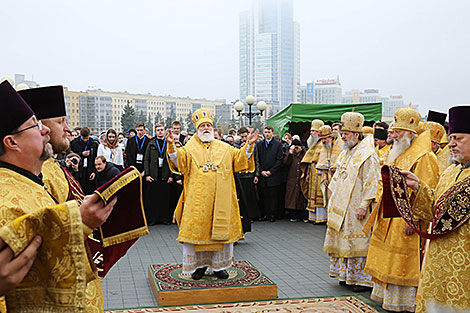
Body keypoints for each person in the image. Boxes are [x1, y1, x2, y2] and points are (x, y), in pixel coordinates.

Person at [0, 81, 116, 312]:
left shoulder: (28, 182)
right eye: (34, 125)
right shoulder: (6, 200)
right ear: (11, 142)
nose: (44, 129)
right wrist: (80, 221)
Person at [166, 108, 258, 280]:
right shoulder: (188, 148)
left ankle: (219, 267)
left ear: (213, 128)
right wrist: (171, 145)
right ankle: (198, 267)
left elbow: (240, 161)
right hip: (197, 201)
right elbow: (179, 162)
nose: (206, 128)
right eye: (203, 126)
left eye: (209, 125)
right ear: (197, 128)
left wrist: (249, 145)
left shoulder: (225, 147)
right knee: (198, 235)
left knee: (219, 234)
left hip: (221, 201)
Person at [363, 108, 440, 312]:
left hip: (406, 220)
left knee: (401, 261)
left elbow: (428, 189)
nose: (393, 135)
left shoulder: (425, 157)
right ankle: (388, 299)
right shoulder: (396, 152)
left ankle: (403, 303)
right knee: (387, 259)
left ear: (410, 134)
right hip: (388, 215)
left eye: (398, 132)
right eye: (394, 130)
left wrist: (413, 219)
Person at [400, 105, 470, 312]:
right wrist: (418, 186)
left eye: (458, 138)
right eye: (451, 138)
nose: (451, 143)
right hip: (438, 257)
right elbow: (435, 210)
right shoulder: (450, 171)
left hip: (464, 262)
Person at [323, 111, 380, 292]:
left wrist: (364, 205)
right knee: (344, 241)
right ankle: (346, 275)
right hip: (342, 207)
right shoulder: (346, 152)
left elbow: (372, 182)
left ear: (356, 134)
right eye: (341, 134)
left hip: (357, 207)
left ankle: (361, 280)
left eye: (346, 134)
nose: (343, 137)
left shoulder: (368, 155)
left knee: (358, 243)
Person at [144, 124, 172, 225]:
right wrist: (147, 174)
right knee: (153, 198)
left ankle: (164, 219)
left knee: (164, 198)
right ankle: (153, 219)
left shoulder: (168, 143)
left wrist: (171, 175)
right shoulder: (151, 144)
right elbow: (146, 160)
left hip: (165, 174)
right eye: (158, 130)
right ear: (155, 132)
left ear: (164, 131)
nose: (160, 132)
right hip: (153, 174)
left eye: (161, 130)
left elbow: (173, 160)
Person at [256, 126, 284, 222]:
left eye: (269, 132)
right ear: (263, 133)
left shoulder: (278, 145)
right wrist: (261, 171)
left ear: (272, 133)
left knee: (273, 196)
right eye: (265, 132)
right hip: (263, 175)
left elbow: (279, 159)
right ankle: (264, 214)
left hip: (274, 175)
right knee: (263, 196)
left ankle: (272, 214)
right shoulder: (259, 145)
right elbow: (257, 159)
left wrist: (271, 171)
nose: (267, 134)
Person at [300, 119, 326, 223]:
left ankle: (321, 217)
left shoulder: (324, 144)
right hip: (312, 172)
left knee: (319, 195)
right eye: (311, 131)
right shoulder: (313, 144)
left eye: (314, 131)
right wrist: (307, 173)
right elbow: (309, 160)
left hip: (320, 173)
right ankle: (313, 216)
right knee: (312, 194)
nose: (312, 133)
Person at [235, 127, 261, 221]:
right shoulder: (236, 145)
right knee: (241, 196)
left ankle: (251, 215)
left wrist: (257, 174)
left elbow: (257, 159)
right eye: (242, 137)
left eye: (245, 136)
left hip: (250, 173)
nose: (244, 138)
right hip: (240, 174)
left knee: (250, 196)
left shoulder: (254, 145)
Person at [316, 125, 342, 210]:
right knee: (329, 201)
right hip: (329, 179)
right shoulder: (325, 146)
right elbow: (323, 165)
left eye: (325, 138)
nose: (323, 141)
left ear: (331, 137)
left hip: (339, 178)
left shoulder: (341, 145)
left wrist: (337, 168)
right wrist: (324, 177)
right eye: (322, 139)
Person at [70, 126, 99, 194]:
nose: (85, 140)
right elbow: (71, 155)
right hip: (78, 170)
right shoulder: (74, 143)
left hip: (90, 170)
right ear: (80, 135)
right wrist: (81, 154)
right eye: (83, 138)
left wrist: (94, 171)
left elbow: (96, 158)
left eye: (86, 138)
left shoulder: (93, 144)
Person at [284, 139, 307, 222]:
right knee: (292, 197)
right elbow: (286, 162)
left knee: (301, 197)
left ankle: (302, 215)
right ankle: (293, 215)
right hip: (292, 178)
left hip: (301, 178)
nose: (296, 149)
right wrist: (290, 153)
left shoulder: (304, 154)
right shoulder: (291, 154)